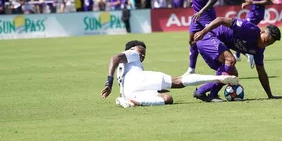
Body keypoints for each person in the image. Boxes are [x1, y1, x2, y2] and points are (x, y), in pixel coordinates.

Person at [100, 40, 239, 108]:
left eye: (144, 54)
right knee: (178, 81)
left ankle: (130, 102)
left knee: (167, 98)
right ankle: (219, 78)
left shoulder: (127, 67)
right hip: (137, 81)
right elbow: (114, 58)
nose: (142, 56)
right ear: (132, 49)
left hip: (128, 92)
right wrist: (108, 82)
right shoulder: (131, 54)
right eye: (140, 52)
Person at [193, 17, 282, 101]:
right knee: (230, 60)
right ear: (262, 32)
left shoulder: (259, 50)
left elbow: (261, 73)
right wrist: (202, 32)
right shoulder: (249, 28)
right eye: (265, 41)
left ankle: (201, 92)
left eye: (268, 44)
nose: (265, 45)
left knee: (233, 76)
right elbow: (220, 19)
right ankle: (212, 95)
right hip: (207, 37)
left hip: (215, 44)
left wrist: (270, 95)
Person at [183, 0, 218, 76]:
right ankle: (191, 69)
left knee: (219, 38)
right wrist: (195, 1)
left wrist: (201, 11)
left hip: (206, 16)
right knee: (191, 41)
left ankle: (245, 53)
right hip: (197, 16)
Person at [239, 0, 272, 68]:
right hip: (252, 11)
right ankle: (240, 54)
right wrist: (248, 1)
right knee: (242, 31)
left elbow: (268, 1)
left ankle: (249, 52)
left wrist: (254, 2)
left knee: (242, 29)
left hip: (257, 13)